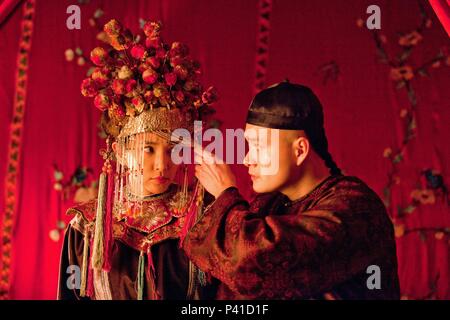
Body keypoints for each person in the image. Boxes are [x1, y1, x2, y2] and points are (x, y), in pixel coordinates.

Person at [184, 81, 400, 299]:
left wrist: (225, 196)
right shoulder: (271, 203)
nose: (247, 159)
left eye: (258, 147)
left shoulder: (355, 209)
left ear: (300, 150)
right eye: (249, 147)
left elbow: (248, 264)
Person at [58, 19, 218, 300]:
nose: (162, 164)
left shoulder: (203, 220)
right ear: (121, 151)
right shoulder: (85, 228)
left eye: (172, 149)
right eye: (149, 149)